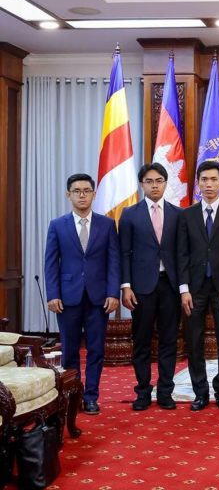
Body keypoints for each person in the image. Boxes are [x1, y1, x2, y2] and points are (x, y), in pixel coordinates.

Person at [44, 173, 119, 415]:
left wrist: (113, 293)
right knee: (70, 349)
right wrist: (52, 294)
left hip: (99, 298)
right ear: (68, 195)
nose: (82, 195)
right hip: (67, 298)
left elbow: (113, 261)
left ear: (94, 194)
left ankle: (91, 397)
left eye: (86, 190)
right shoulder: (57, 225)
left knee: (96, 349)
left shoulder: (107, 225)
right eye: (76, 191)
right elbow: (50, 264)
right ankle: (73, 395)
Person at [177, 160, 219, 412]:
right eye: (204, 179)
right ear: (198, 183)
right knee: (194, 341)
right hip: (194, 289)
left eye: (214, 179)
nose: (209, 184)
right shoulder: (187, 215)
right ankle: (200, 392)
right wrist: (184, 289)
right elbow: (181, 254)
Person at [119, 163, 182, 411]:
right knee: (141, 340)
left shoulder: (178, 214)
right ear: (142, 184)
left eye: (159, 181)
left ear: (165, 183)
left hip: (170, 286)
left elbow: (182, 254)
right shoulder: (129, 214)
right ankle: (143, 391)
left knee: (169, 341)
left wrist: (184, 288)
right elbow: (124, 253)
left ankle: (165, 391)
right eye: (149, 181)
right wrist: (126, 286)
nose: (154, 185)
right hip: (141, 287)